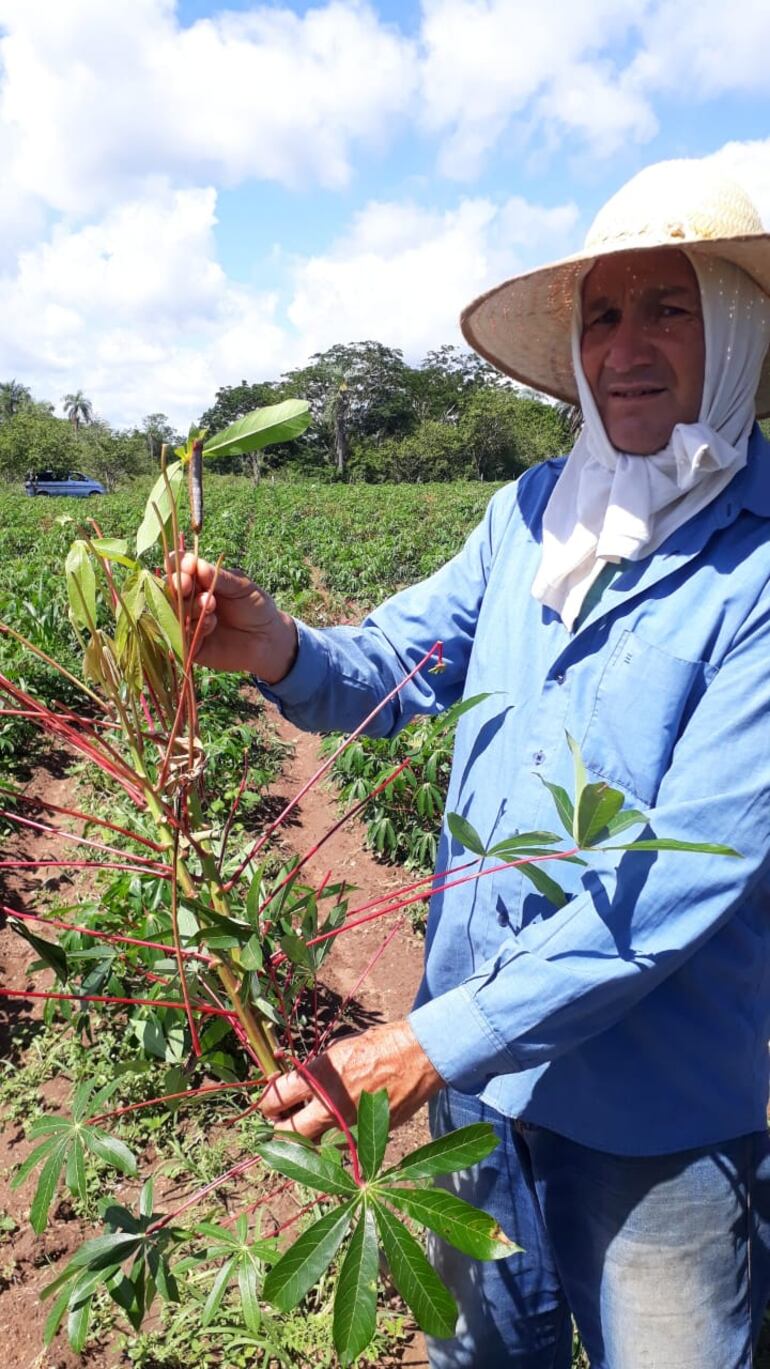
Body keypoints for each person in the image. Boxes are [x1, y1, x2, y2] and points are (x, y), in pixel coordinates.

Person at [175, 160, 770, 1367]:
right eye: (600, 315)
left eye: (666, 308)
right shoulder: (530, 512)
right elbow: (399, 660)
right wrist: (276, 643)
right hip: (474, 1097)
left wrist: (430, 1040)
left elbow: (681, 877)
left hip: (652, 1120)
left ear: (735, 329)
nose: (623, 348)